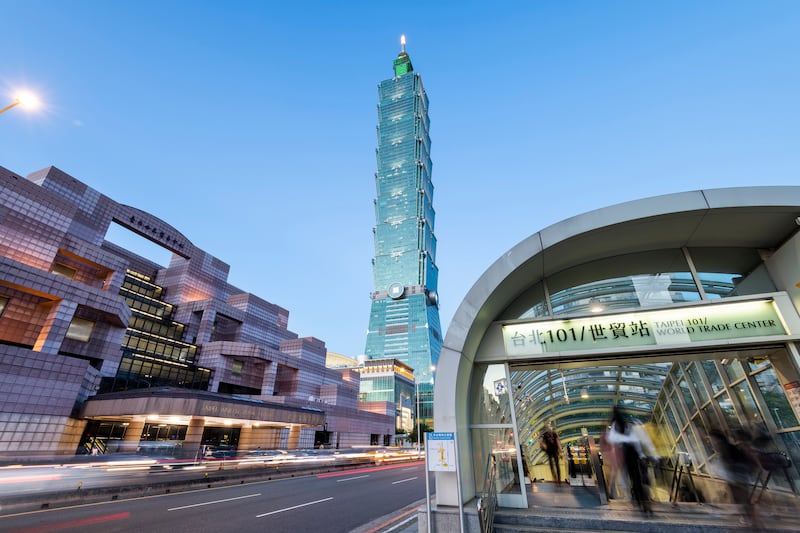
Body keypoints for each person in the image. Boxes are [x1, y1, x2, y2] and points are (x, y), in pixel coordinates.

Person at [605, 407, 652, 515]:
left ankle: (635, 499)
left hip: (625, 454)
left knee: (627, 478)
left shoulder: (614, 428)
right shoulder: (628, 426)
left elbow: (611, 439)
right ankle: (643, 503)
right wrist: (641, 454)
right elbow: (635, 441)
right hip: (633, 454)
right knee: (636, 479)